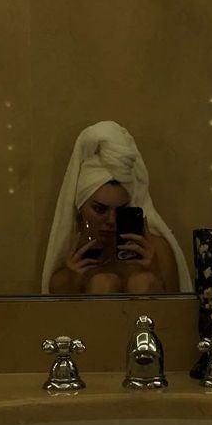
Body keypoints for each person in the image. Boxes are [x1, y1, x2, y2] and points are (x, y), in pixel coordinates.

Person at [41, 121, 193, 295]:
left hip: (148, 309)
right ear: (80, 208)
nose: (112, 221)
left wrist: (156, 277)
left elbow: (176, 310)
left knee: (142, 282)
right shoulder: (67, 274)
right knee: (102, 284)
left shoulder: (156, 251)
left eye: (121, 210)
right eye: (100, 209)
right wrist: (74, 287)